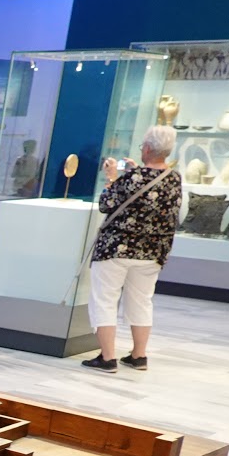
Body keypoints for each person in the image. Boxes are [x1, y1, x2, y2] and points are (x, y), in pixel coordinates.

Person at [79, 125, 182, 373]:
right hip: (153, 252)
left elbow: (106, 204)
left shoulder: (131, 178)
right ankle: (138, 355)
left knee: (105, 299)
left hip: (117, 249)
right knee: (142, 301)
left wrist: (111, 178)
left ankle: (107, 358)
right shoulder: (174, 178)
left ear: (146, 148)